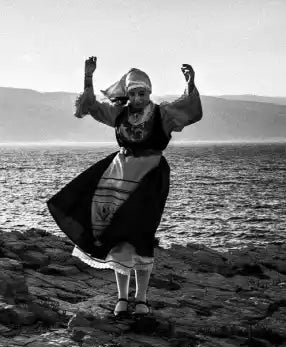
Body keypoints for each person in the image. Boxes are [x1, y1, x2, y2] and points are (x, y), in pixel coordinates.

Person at [46, 57, 203, 317]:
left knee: (141, 235)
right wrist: (88, 77)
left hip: (149, 179)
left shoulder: (162, 114)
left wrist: (190, 83)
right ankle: (122, 297)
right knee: (117, 234)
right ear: (128, 95)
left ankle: (141, 298)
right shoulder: (119, 114)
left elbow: (190, 109)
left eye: (143, 93)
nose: (139, 98)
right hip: (117, 176)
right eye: (134, 93)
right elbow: (91, 106)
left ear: (149, 93)